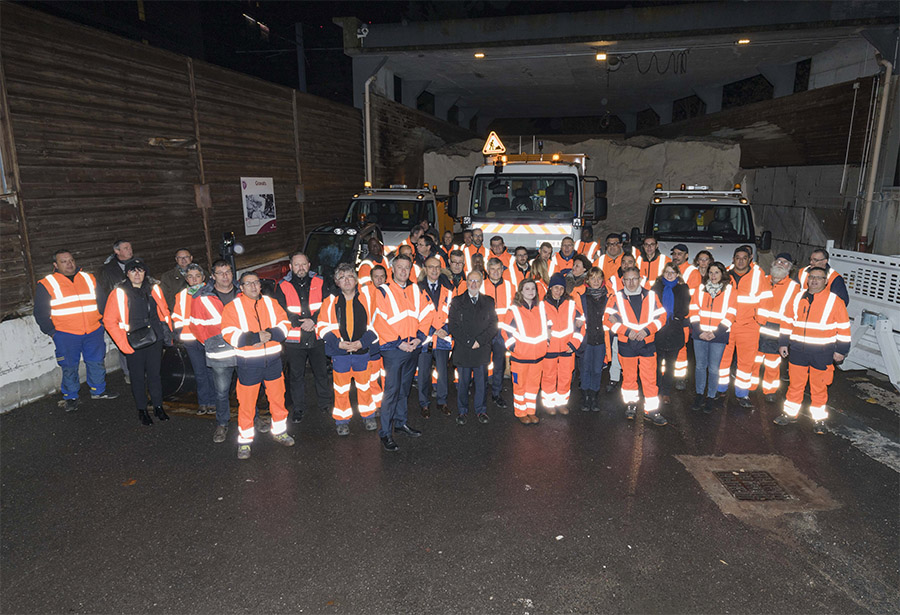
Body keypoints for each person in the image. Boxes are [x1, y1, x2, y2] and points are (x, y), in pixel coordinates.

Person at [221, 272, 294, 459]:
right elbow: (228, 333)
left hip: (273, 362)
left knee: (278, 400)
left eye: (256, 283)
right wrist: (254, 337)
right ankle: (245, 442)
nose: (254, 286)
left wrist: (271, 334)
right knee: (246, 404)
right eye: (249, 283)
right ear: (242, 287)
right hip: (248, 364)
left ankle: (279, 432)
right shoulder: (233, 307)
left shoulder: (271, 303)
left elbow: (285, 323)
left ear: (260, 286)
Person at [34, 249, 117, 412]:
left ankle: (98, 391)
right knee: (69, 366)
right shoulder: (47, 283)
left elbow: (102, 301)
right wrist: (52, 332)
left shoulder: (88, 278)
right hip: (65, 334)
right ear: (55, 265)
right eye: (64, 261)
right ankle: (71, 397)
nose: (69, 264)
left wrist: (101, 322)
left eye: (71, 260)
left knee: (96, 361)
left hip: (93, 330)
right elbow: (40, 312)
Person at [775, 266, 851, 433]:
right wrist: (783, 343)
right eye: (812, 277)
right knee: (795, 385)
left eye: (819, 278)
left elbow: (844, 329)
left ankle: (819, 420)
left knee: (819, 387)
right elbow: (787, 322)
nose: (814, 280)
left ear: (826, 281)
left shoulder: (834, 301)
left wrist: (841, 351)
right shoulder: (797, 298)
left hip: (822, 353)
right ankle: (789, 414)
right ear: (807, 279)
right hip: (798, 351)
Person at [372, 255, 433, 452]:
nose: (404, 271)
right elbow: (378, 320)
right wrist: (399, 343)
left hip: (413, 346)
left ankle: (400, 423)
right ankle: (386, 433)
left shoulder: (416, 289)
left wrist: (420, 337)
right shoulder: (383, 291)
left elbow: (427, 313)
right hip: (394, 349)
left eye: (407, 267)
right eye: (400, 267)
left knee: (404, 389)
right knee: (391, 391)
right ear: (393, 269)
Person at [103, 259, 172, 425]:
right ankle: (142, 410)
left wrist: (167, 332)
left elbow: (164, 311)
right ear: (127, 273)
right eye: (133, 270)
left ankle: (158, 407)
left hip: (154, 338)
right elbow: (109, 320)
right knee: (137, 377)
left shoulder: (154, 289)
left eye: (140, 270)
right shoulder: (119, 293)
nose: (137, 274)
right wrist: (123, 344)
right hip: (133, 341)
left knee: (155, 375)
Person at [317, 264, 379, 435]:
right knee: (341, 389)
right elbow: (321, 326)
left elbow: (377, 322)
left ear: (356, 279)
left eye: (350, 276)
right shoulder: (330, 301)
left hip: (361, 352)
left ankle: (368, 415)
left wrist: (362, 342)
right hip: (340, 354)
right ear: (337, 282)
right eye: (342, 277)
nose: (346, 280)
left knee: (365, 386)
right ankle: (342, 420)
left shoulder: (367, 298)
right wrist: (337, 343)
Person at [604, 266, 668, 425]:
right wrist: (626, 331)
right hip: (627, 343)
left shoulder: (651, 296)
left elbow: (662, 317)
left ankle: (651, 410)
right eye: (627, 279)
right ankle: (631, 405)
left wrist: (647, 331)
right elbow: (606, 318)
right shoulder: (616, 298)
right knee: (629, 378)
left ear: (640, 279)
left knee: (650, 379)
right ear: (623, 281)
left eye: (634, 278)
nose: (631, 282)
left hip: (647, 343)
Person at [274, 252, 331, 423]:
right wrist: (299, 322)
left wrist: (313, 321)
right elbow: (280, 310)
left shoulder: (320, 281)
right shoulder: (282, 285)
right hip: (294, 339)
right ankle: (298, 408)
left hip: (317, 336)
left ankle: (325, 404)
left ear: (309, 265)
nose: (301, 268)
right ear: (291, 267)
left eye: (303, 264)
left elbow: (327, 305)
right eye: (297, 265)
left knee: (321, 373)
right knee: (296, 376)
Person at [717, 246, 773, 407]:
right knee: (722, 360)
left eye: (744, 258)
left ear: (749, 259)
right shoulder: (725, 274)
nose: (740, 261)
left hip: (749, 326)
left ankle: (742, 394)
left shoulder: (758, 274)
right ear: (733, 259)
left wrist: (759, 320)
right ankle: (720, 389)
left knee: (746, 363)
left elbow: (767, 298)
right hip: (726, 325)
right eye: (737, 257)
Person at [448, 269, 498, 424]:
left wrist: (479, 341)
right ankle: (462, 412)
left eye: (477, 281)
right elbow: (453, 326)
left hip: (481, 349)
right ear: (466, 282)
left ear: (481, 283)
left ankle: (481, 411)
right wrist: (470, 342)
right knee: (462, 384)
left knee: (481, 383)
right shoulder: (457, 301)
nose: (474, 284)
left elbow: (493, 325)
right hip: (464, 349)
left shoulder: (489, 301)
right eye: (471, 280)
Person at [689, 262, 736, 413]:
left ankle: (710, 396)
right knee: (700, 366)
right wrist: (698, 330)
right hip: (699, 333)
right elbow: (693, 310)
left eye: (716, 272)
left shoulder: (730, 291)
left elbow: (731, 314)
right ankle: (699, 395)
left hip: (719, 335)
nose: (713, 276)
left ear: (722, 274)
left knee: (714, 368)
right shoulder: (700, 289)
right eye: (710, 273)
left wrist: (715, 332)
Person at [501, 279, 548, 425]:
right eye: (527, 289)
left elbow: (548, 328)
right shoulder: (514, 310)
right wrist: (514, 348)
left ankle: (531, 411)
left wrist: (546, 344)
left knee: (533, 387)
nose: (531, 291)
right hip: (520, 357)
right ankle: (520, 412)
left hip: (537, 356)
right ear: (521, 291)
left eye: (533, 288)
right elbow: (505, 332)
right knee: (520, 386)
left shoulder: (541, 308)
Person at [171, 263, 216, 415]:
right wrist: (178, 333)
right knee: (199, 372)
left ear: (203, 277)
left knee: (211, 371)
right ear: (186, 279)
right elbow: (177, 316)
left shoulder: (210, 293)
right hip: (190, 340)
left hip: (208, 339)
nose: (194, 279)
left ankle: (213, 402)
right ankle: (203, 402)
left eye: (197, 276)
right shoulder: (181, 295)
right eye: (190, 276)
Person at [757, 253, 801, 402]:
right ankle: (748, 388)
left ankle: (770, 391)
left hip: (776, 331)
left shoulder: (794, 287)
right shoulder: (762, 280)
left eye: (785, 263)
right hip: (757, 327)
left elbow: (792, 314)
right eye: (779, 261)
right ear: (772, 264)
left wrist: (785, 337)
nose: (781, 264)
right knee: (752, 361)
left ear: (790, 268)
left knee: (772, 364)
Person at [417, 257, 454, 418]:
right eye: (431, 267)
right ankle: (424, 404)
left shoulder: (449, 289)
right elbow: (416, 315)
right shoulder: (417, 289)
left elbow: (453, 313)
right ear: (425, 269)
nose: (434, 270)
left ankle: (442, 401)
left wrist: (444, 329)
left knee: (442, 373)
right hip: (424, 338)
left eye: (437, 267)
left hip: (443, 336)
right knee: (423, 373)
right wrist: (433, 330)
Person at [542, 273, 583, 414]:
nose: (558, 291)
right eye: (555, 287)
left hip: (567, 348)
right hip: (549, 349)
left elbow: (581, 326)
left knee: (565, 376)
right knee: (548, 376)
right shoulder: (542, 306)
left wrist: (573, 345)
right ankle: (549, 404)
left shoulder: (572, 305)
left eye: (561, 288)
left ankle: (561, 403)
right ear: (550, 288)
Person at [650, 262, 691, 404]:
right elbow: (651, 306)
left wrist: (676, 318)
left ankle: (666, 392)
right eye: (667, 272)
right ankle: (656, 390)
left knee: (670, 365)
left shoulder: (683, 288)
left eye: (672, 272)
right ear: (663, 273)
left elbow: (685, 309)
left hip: (674, 330)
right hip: (658, 330)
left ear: (677, 274)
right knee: (656, 364)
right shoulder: (656, 287)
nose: (669, 275)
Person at [98, 239, 134, 383]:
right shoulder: (107, 270)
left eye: (130, 247)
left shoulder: (138, 264)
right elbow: (103, 293)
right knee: (123, 341)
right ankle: (129, 373)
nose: (130, 250)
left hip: (138, 309)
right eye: (125, 248)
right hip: (119, 312)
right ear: (117, 251)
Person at [576, 267, 610, 412]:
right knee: (585, 369)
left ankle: (594, 396)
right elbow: (575, 314)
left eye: (598, 278)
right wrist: (577, 321)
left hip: (601, 339)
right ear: (587, 280)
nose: (596, 281)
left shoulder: (609, 297)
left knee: (597, 369)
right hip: (586, 339)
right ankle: (585, 396)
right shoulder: (581, 297)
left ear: (602, 280)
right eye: (593, 278)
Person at [670, 243, 703, 389]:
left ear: (686, 256)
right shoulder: (670, 269)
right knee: (667, 345)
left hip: (684, 315)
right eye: (674, 254)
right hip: (669, 315)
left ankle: (680, 377)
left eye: (679, 254)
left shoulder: (692, 272)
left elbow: (692, 297)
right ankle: (667, 375)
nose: (676, 256)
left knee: (681, 347)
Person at [483, 258, 515, 409]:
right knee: (481, 364)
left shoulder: (510, 286)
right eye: (492, 269)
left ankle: (496, 393)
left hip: (502, 333)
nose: (495, 272)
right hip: (484, 332)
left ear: (502, 270)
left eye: (498, 269)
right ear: (487, 270)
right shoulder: (481, 285)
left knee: (499, 365)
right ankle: (481, 393)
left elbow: (514, 310)